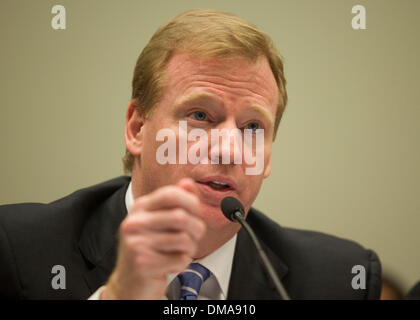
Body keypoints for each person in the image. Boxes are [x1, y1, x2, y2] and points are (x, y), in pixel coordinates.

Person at [0, 9, 381, 300]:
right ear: (137, 128)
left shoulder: (338, 279)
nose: (230, 149)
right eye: (200, 116)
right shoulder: (18, 250)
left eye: (253, 127)